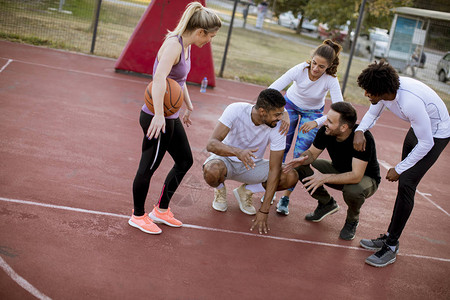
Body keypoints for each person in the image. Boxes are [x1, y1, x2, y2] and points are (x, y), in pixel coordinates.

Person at [128, 2, 221, 235]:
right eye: (211, 36)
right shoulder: (173, 45)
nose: (210, 40)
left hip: (170, 115)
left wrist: (188, 105)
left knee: (184, 160)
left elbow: (177, 82)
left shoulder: (187, 46)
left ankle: (161, 210)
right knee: (148, 167)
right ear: (200, 31)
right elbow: (159, 79)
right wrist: (159, 115)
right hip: (156, 117)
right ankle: (138, 216)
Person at [355, 61, 450, 267]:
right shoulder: (384, 92)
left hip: (436, 135)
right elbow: (372, 113)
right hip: (420, 130)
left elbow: (427, 143)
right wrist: (360, 130)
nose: (366, 95)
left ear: (382, 90)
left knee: (406, 183)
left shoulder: (410, 102)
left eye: (369, 91)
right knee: (403, 184)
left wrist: (399, 168)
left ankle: (391, 246)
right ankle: (389, 235)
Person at [203, 89, 299, 234]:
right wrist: (237, 152)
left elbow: (274, 169)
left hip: (251, 166)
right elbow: (211, 144)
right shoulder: (235, 110)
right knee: (212, 171)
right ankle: (220, 188)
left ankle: (245, 191)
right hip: (226, 161)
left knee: (290, 175)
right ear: (262, 111)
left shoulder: (278, 126)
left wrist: (264, 211)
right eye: (277, 114)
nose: (280, 118)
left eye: (281, 113)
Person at [283, 102, 380, 240]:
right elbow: (312, 154)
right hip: (338, 169)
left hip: (365, 178)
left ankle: (352, 220)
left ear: (344, 127)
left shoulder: (363, 139)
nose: (325, 122)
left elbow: (356, 176)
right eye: (326, 118)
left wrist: (324, 178)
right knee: (300, 165)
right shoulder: (326, 131)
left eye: (330, 121)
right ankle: (326, 203)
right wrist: (302, 158)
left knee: (354, 191)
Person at [268, 39, 344, 216]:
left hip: (313, 114)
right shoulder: (300, 69)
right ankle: (270, 188)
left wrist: (317, 122)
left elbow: (340, 110)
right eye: (314, 63)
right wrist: (282, 111)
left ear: (329, 67)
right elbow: (272, 89)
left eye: (322, 67)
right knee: (282, 147)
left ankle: (285, 197)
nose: (316, 69)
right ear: (311, 60)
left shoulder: (331, 79)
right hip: (290, 105)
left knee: (300, 157)